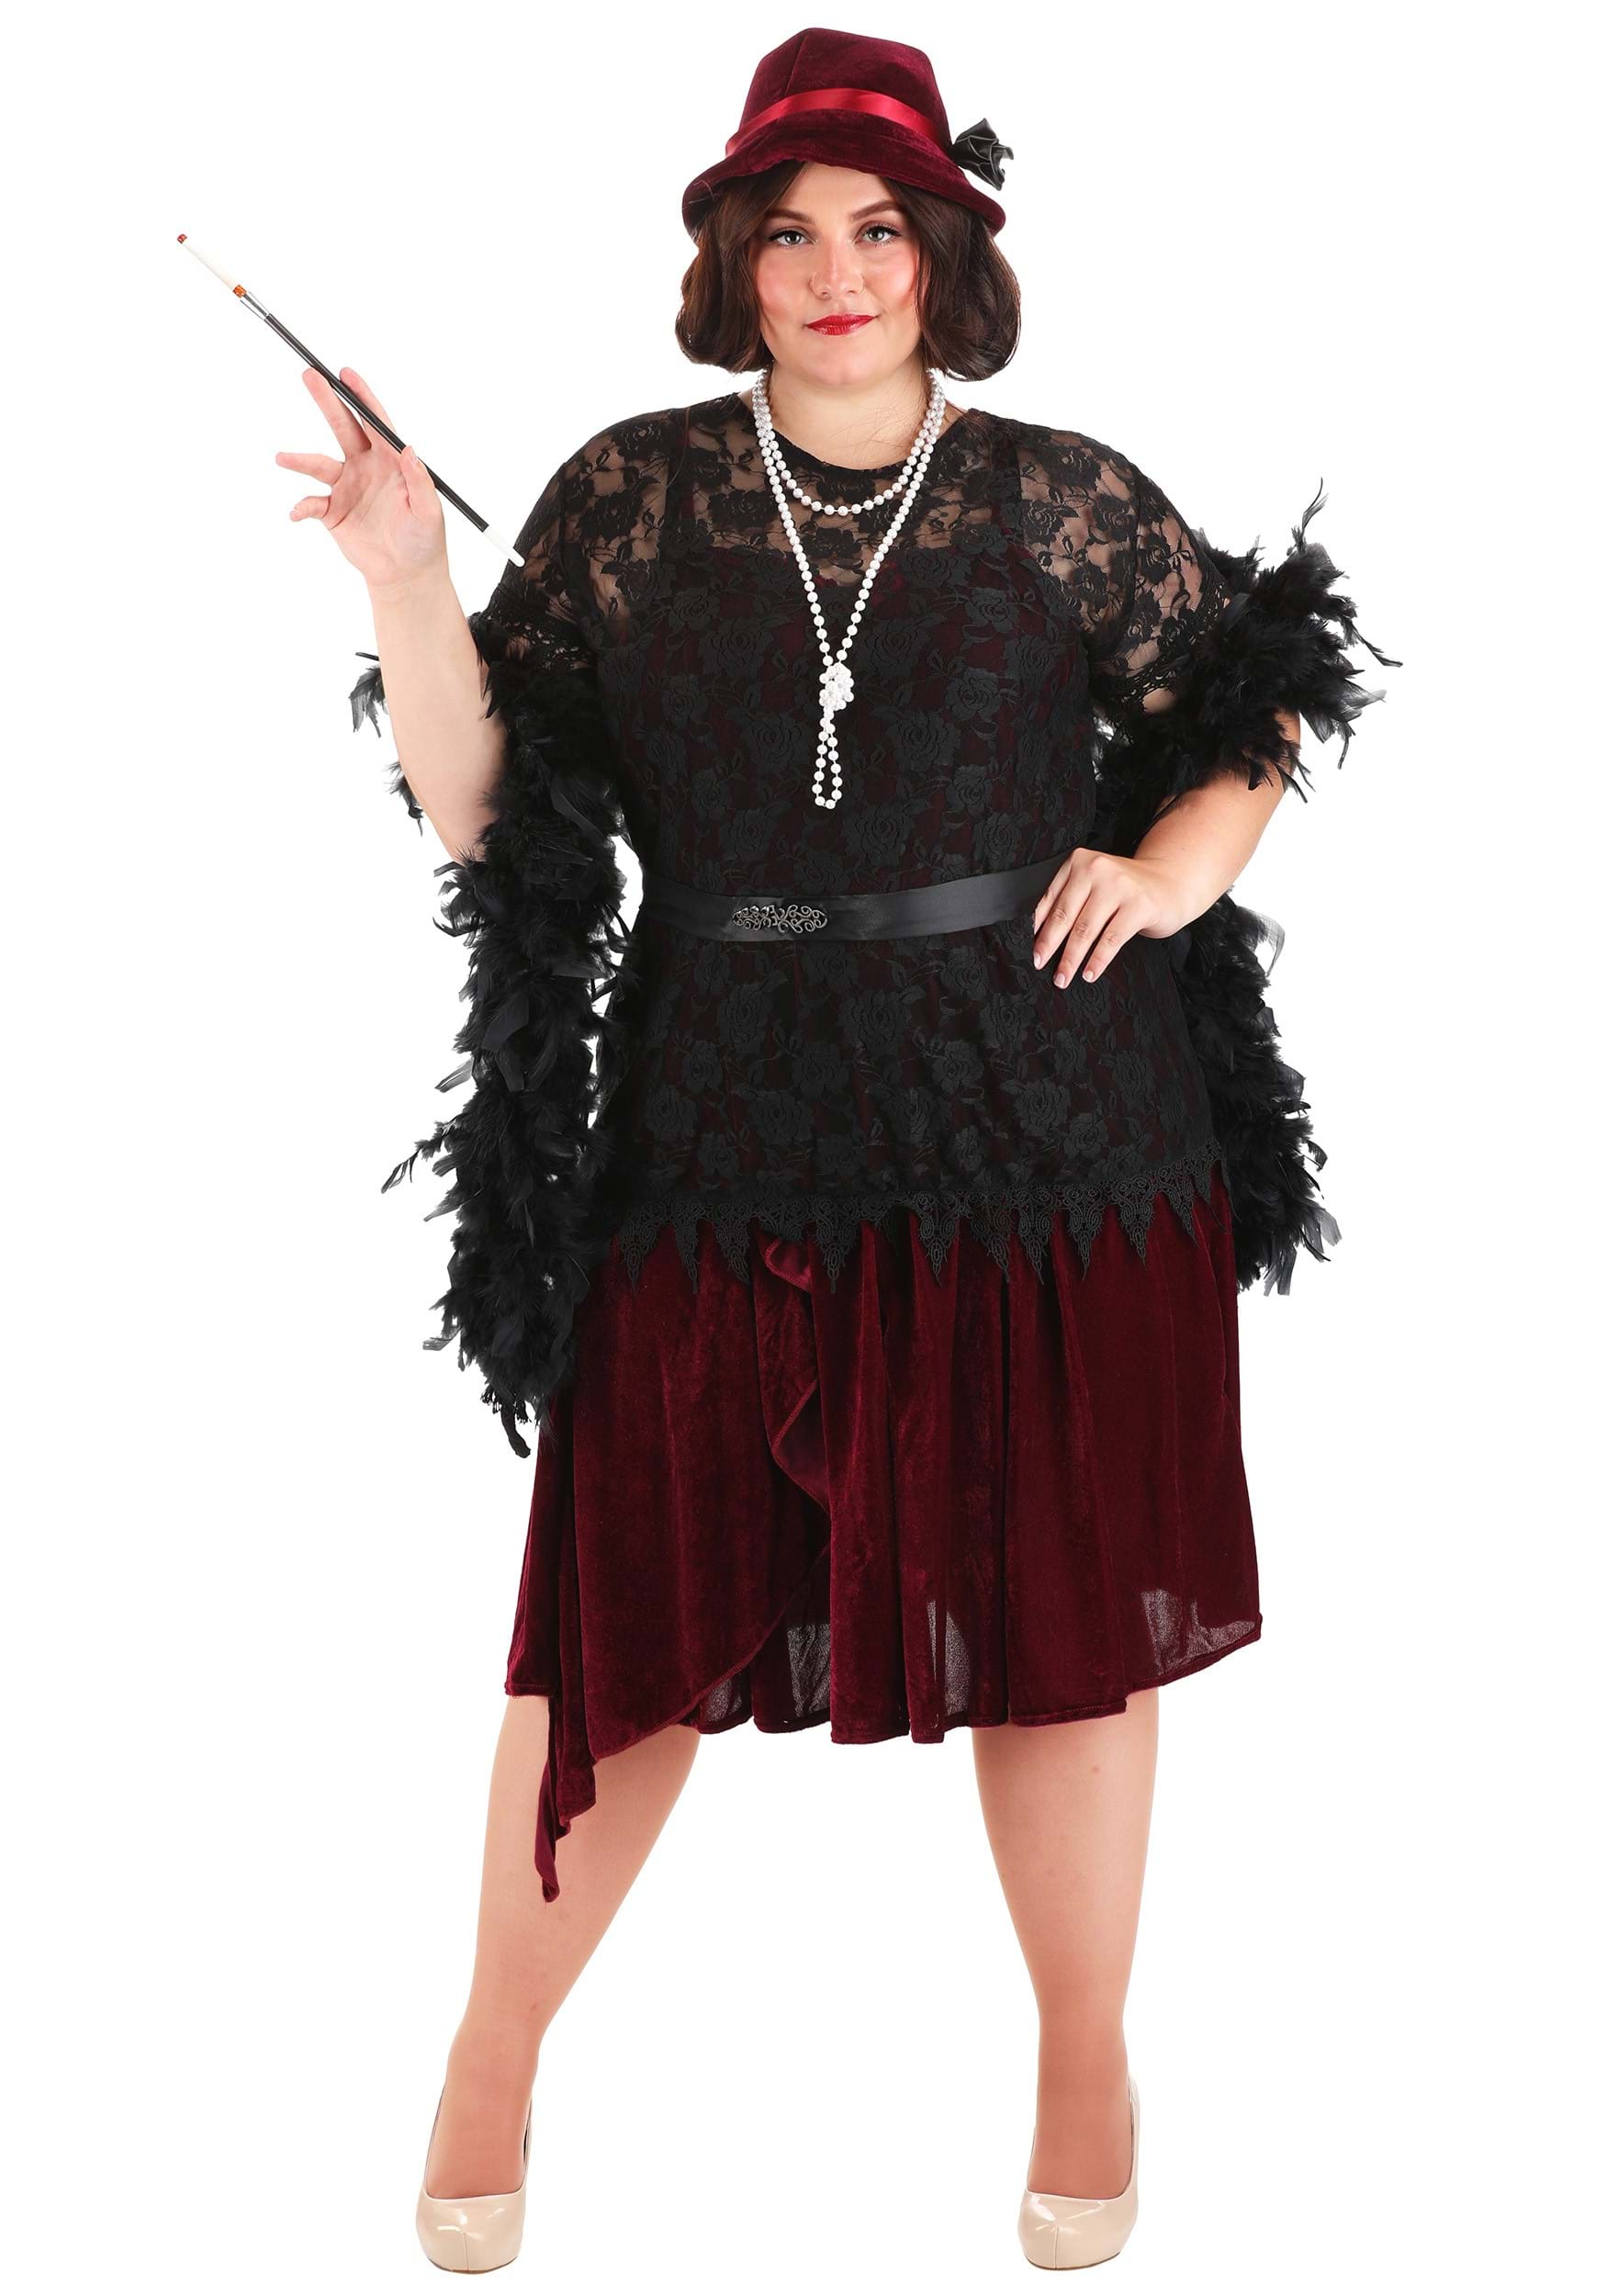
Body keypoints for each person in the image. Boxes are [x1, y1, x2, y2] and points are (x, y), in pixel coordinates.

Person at [281, 28, 1396, 2274]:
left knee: (1058, 1627)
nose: (832, 273)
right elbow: (494, 820)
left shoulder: (1059, 496)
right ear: (732, 263)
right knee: (614, 1621)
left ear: (941, 252)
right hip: (720, 1133)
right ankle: (490, 2048)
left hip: (1043, 1138)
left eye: (875, 228)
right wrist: (401, 577)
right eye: (785, 233)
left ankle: (1082, 2056)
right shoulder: (630, 499)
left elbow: (1253, 697)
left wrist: (1170, 870)